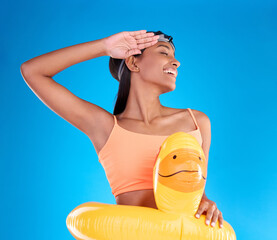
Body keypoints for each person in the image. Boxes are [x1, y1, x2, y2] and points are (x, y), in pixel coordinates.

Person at [20, 30, 223, 228]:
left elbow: (198, 192)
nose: (176, 62)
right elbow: (33, 71)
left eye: (174, 55)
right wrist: (104, 47)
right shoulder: (106, 127)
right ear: (134, 62)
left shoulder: (196, 122)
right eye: (164, 52)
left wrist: (208, 203)